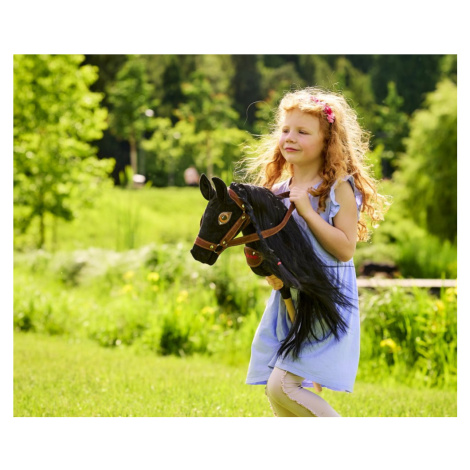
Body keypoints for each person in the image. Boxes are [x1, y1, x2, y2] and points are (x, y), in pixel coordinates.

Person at [240, 87, 387, 417]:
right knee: (278, 388)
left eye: (303, 132)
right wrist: (270, 269)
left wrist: (307, 210)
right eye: (285, 129)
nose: (290, 137)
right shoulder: (278, 191)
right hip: (291, 299)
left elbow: (345, 248)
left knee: (283, 385)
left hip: (325, 299)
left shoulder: (336, 188)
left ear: (327, 141)